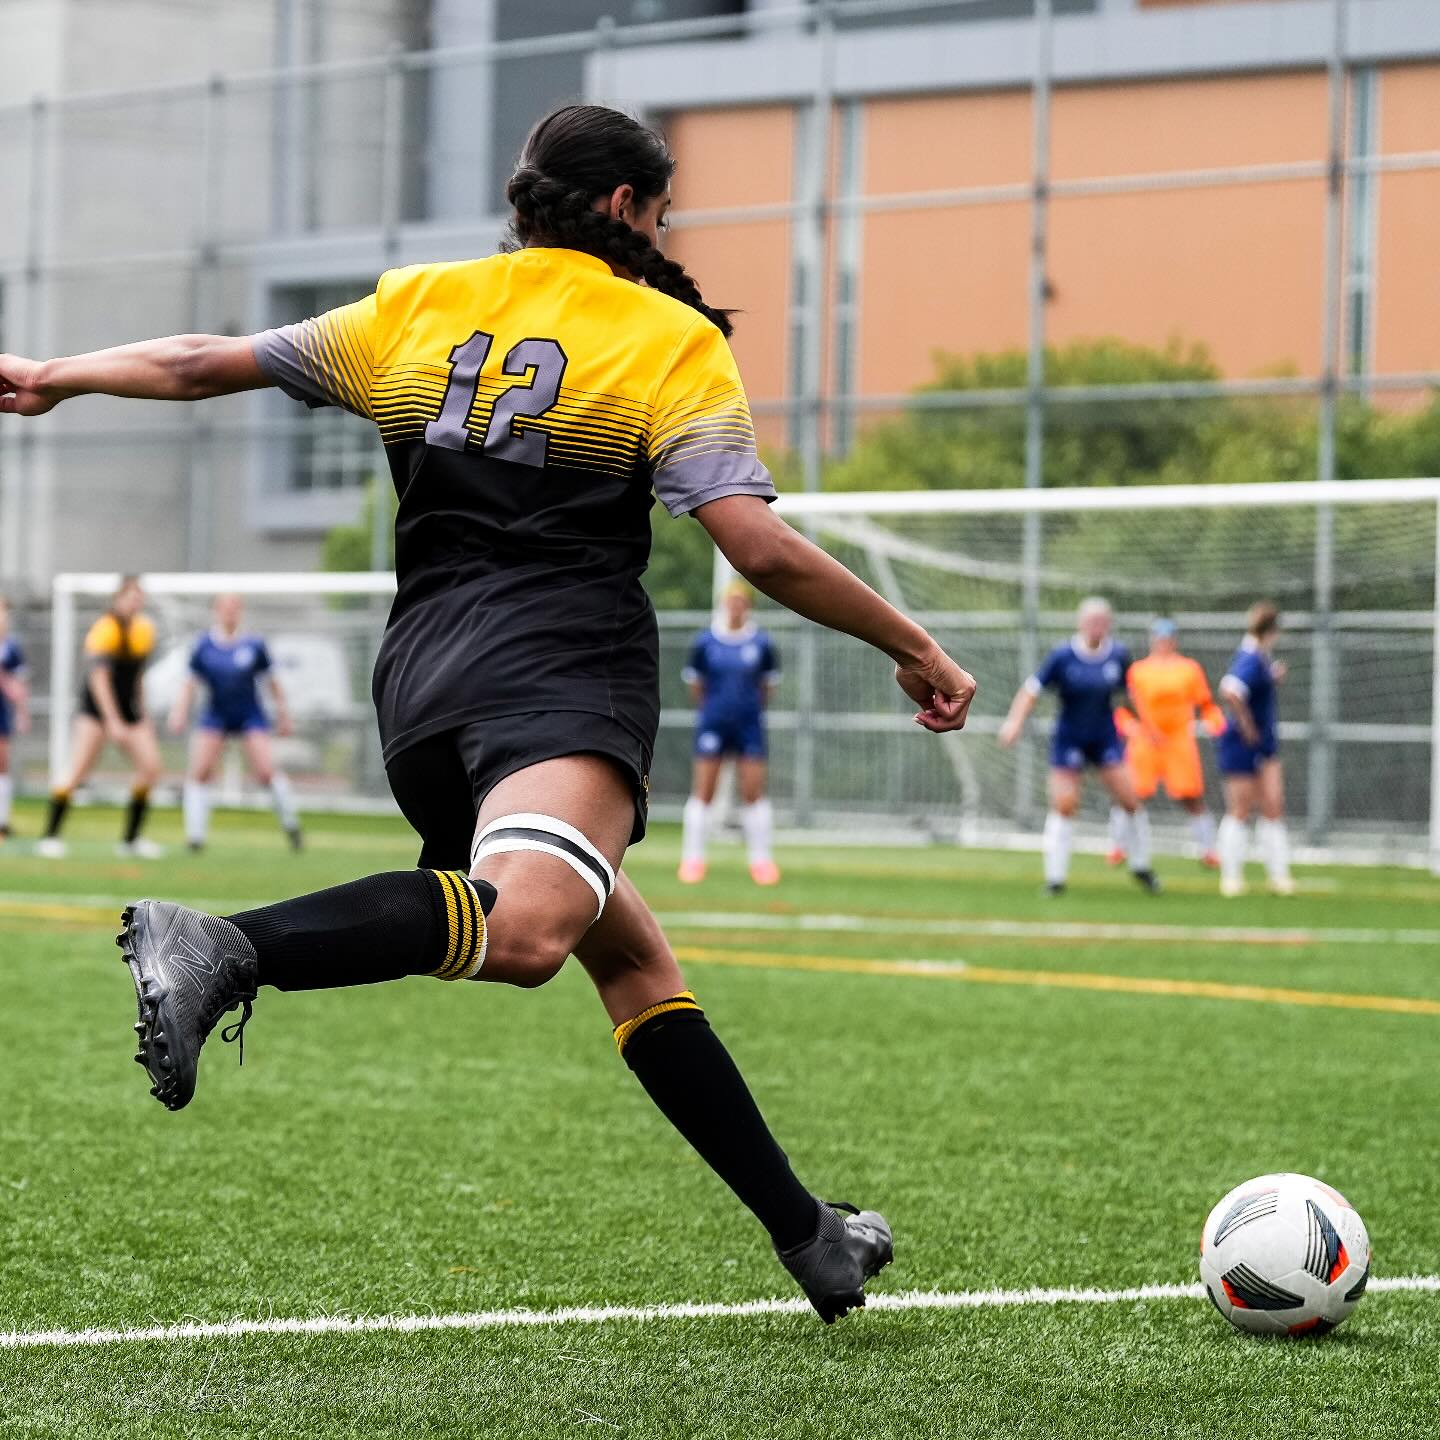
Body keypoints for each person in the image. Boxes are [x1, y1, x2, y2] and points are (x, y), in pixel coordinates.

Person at [0, 104, 975, 1324]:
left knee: (632, 958)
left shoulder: (416, 304)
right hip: (558, 669)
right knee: (532, 931)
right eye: (662, 211)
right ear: (625, 207)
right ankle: (229, 946)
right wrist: (915, 645)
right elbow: (758, 546)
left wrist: (54, 375)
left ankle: (810, 1237)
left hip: (421, 685)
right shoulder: (665, 336)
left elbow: (204, 360)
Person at [998, 596, 1159, 895]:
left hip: (1104, 737)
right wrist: (1014, 722)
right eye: (1092, 621)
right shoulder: (1063, 656)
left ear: (1109, 624)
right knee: (1065, 805)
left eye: (1102, 621)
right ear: (1080, 623)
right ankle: (1055, 878)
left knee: (1130, 800)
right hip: (1069, 738)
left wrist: (1147, 727)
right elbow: (1031, 691)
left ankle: (1141, 866)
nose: (1097, 626)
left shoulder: (1118, 655)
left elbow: (1127, 696)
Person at [38, 576, 163, 859]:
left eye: (138, 598)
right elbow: (100, 680)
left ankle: (131, 840)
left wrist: (142, 714)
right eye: (129, 597)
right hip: (96, 710)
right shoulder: (104, 629)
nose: (134, 603)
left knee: (151, 767)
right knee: (78, 769)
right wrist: (112, 721)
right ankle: (50, 835)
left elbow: (137, 678)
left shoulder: (144, 630)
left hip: (128, 709)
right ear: (117, 599)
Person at [169, 594, 302, 853]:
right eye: (225, 608)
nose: (229, 613)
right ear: (216, 611)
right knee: (200, 772)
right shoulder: (204, 646)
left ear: (240, 612)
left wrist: (284, 714)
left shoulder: (254, 645)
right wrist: (179, 712)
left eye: (234, 608)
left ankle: (291, 826)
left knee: (266, 771)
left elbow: (272, 682)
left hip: (249, 714)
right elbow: (190, 683)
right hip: (216, 714)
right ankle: (195, 838)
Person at [679, 581, 781, 885]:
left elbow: (766, 687)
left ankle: (761, 861)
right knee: (703, 791)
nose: (736, 606)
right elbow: (696, 685)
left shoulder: (761, 643)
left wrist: (746, 710)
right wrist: (715, 711)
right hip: (713, 724)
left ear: (748, 606)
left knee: (753, 792)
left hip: (749, 726)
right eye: (731, 601)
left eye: (741, 601)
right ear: (724, 604)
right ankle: (693, 860)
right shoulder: (706, 642)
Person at [1108, 618, 1225, 869]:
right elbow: (1124, 708)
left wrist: (1214, 722)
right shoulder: (1138, 670)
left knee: (1191, 796)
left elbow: (1206, 704)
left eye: (1167, 638)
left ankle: (1208, 849)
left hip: (1178, 740)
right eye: (1159, 638)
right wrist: (1127, 727)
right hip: (1145, 739)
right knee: (1131, 795)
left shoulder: (1189, 669)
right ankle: (1119, 846)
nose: (1163, 643)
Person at [1216, 601, 1293, 897]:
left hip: (1265, 742)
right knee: (1241, 808)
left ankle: (1279, 874)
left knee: (1273, 805)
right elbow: (1230, 689)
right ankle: (1231, 876)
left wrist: (1272, 676)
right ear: (1271, 630)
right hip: (1242, 742)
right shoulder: (1249, 656)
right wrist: (1247, 725)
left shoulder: (1261, 657)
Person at [0, 596, 29, 840]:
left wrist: (22, 712)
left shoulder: (11, 647)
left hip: (1, 712)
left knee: (2, 762)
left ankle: (2, 821)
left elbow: (18, 684)